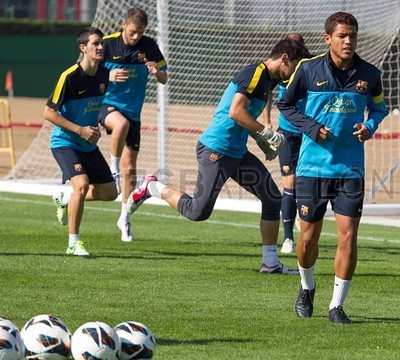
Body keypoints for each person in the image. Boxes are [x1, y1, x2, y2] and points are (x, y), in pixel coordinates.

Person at [125, 38, 308, 274]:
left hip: (237, 152)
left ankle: (270, 262)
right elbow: (235, 112)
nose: (293, 73)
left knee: (272, 199)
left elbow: (246, 115)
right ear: (284, 58)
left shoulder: (268, 81)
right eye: (294, 66)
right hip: (216, 150)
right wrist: (266, 132)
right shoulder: (256, 73)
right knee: (198, 212)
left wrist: (261, 141)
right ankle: (151, 187)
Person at [277, 12, 389, 324]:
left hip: (350, 169)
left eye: (352, 35)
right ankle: (306, 286)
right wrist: (311, 128)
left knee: (348, 237)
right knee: (308, 240)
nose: (348, 41)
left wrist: (370, 124)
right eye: (342, 36)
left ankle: (336, 306)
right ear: (327, 39)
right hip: (312, 169)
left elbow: (380, 108)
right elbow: (285, 105)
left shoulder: (370, 74)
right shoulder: (307, 70)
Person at [98, 7, 168, 242]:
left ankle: (124, 219)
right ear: (123, 24)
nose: (136, 37)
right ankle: (112, 167)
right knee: (120, 125)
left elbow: (164, 78)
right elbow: (85, 72)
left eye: (141, 32)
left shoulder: (148, 46)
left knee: (130, 171)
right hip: (106, 104)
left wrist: (156, 71)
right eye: (133, 31)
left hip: (133, 112)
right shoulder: (106, 44)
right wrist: (107, 76)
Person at [48, 27, 118, 256]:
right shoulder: (69, 77)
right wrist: (79, 130)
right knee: (82, 184)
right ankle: (73, 243)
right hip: (65, 142)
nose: (100, 47)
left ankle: (65, 198)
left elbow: (93, 108)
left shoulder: (103, 75)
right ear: (83, 48)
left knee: (110, 193)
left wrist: (99, 127)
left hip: (88, 144)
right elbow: (49, 113)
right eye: (95, 43)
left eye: (101, 43)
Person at [272, 32, 309, 254]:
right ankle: (287, 238)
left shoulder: (308, 67)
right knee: (290, 182)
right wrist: (266, 121)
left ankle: (303, 224)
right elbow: (267, 94)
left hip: (307, 132)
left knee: (304, 182)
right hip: (286, 132)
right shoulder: (280, 70)